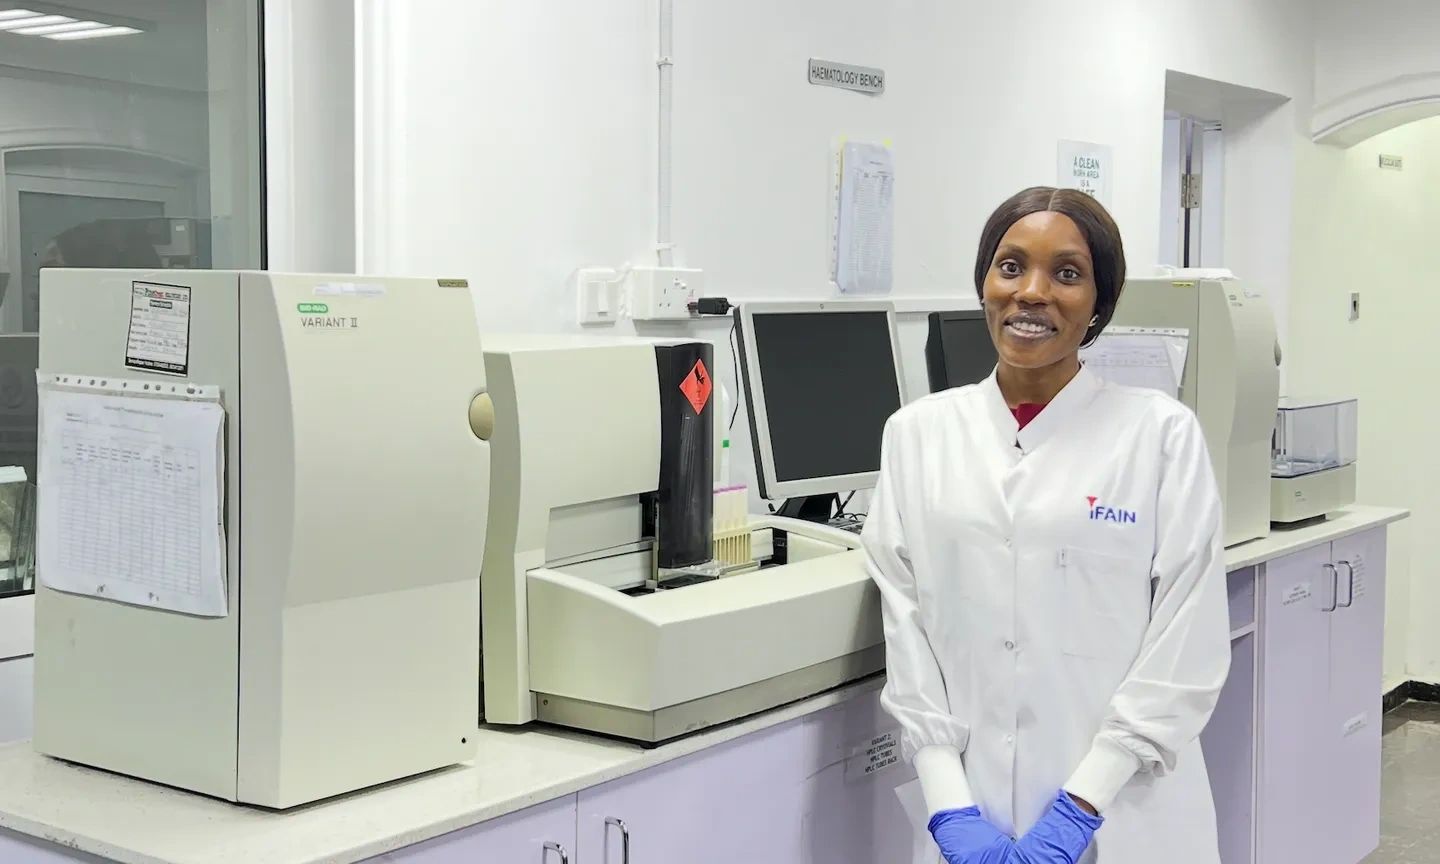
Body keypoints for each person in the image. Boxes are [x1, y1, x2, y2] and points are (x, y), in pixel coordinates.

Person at [863, 187, 1230, 864]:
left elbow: (1188, 643)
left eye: (1067, 274)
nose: (1031, 292)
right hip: (967, 815)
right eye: (1010, 267)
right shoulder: (917, 435)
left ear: (1099, 305)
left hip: (1121, 818)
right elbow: (907, 631)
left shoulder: (1159, 434)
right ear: (984, 285)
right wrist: (949, 809)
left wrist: (1079, 807)